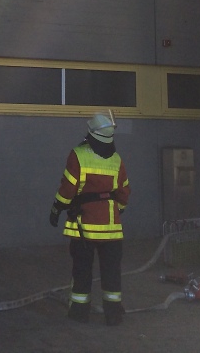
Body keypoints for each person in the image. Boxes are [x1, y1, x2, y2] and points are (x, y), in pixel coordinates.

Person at [49, 111, 131, 325]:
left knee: (82, 270)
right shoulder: (116, 159)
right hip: (111, 228)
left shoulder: (78, 155)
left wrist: (57, 208)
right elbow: (124, 192)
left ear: (91, 133)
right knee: (111, 272)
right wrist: (117, 209)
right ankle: (113, 315)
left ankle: (79, 313)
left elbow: (68, 188)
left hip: (83, 227)